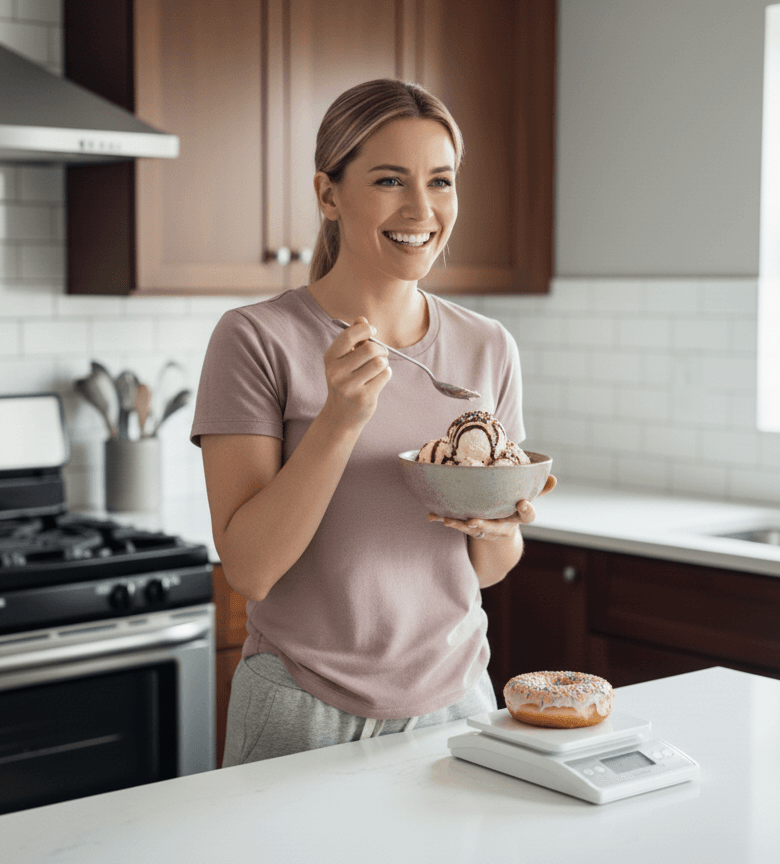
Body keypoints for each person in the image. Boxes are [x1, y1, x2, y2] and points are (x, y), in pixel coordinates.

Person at [190, 78, 556, 767]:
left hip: (458, 702)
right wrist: (339, 421)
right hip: (302, 708)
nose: (422, 208)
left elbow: (487, 570)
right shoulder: (255, 338)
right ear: (328, 194)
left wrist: (500, 526)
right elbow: (250, 570)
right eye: (391, 180)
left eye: (441, 181)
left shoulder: (486, 346)